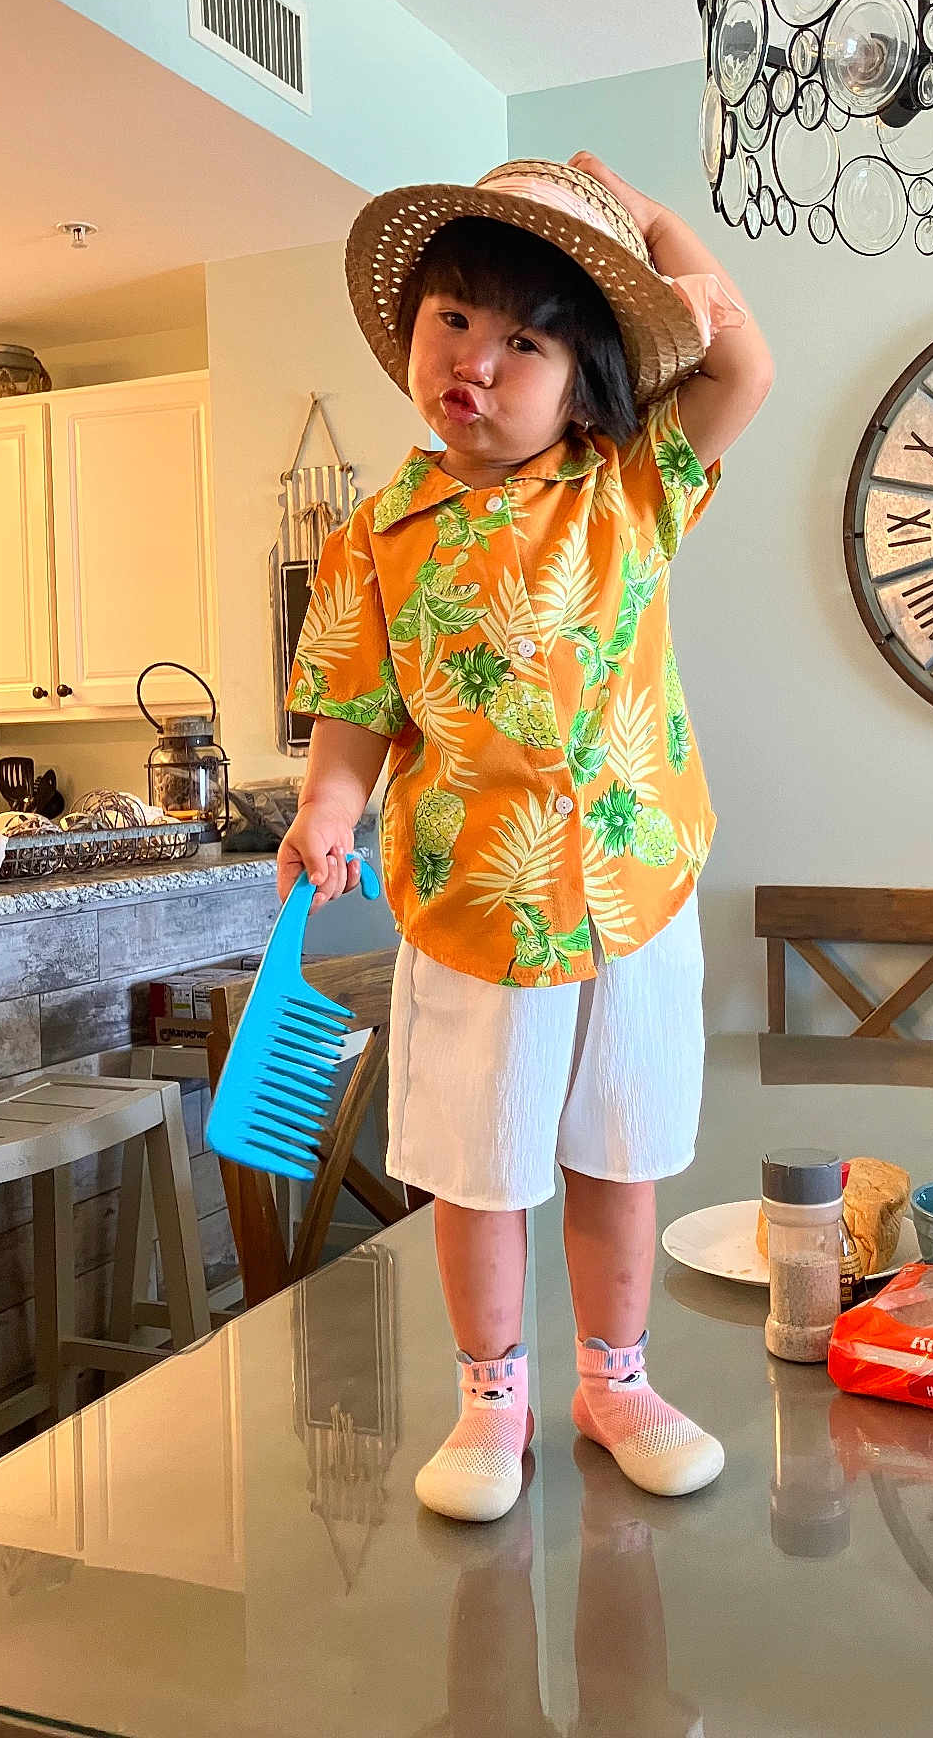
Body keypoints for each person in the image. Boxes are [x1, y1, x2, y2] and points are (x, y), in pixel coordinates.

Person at [280, 151, 773, 1522]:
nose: (477, 362)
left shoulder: (632, 485)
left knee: (622, 1148)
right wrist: (327, 808)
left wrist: (656, 226)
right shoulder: (375, 535)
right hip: (474, 899)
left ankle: (616, 1383)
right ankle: (490, 1401)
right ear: (411, 330)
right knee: (479, 1162)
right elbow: (355, 706)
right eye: (454, 320)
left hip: (635, 887)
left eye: (524, 343)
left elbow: (743, 370)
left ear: (584, 382)